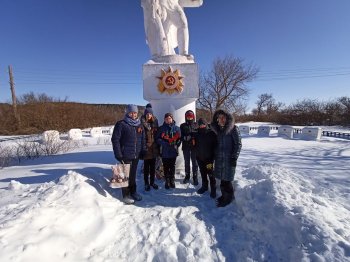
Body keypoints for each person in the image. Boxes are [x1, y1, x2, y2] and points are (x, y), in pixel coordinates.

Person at [111, 104, 147, 204]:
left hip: (136, 155)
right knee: (125, 175)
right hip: (125, 154)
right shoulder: (121, 124)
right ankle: (126, 195)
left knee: (132, 175)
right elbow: (115, 139)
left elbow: (143, 139)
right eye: (131, 112)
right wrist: (118, 154)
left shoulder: (139, 124)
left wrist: (143, 150)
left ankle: (133, 191)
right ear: (127, 113)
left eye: (135, 112)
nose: (133, 114)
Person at [210, 109, 242, 207]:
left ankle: (228, 198)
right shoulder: (218, 130)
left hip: (229, 159)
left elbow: (238, 144)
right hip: (220, 159)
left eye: (223, 117)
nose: (221, 119)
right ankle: (224, 196)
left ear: (227, 118)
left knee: (227, 181)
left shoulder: (233, 129)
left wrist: (234, 157)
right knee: (223, 180)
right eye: (219, 118)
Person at [156, 112, 181, 189]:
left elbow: (180, 138)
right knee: (166, 166)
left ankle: (172, 180)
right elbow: (157, 139)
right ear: (164, 119)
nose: (168, 120)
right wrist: (164, 143)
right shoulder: (161, 128)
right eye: (166, 119)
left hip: (173, 150)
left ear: (172, 119)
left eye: (169, 118)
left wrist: (177, 143)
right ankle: (167, 180)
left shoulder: (177, 128)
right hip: (165, 151)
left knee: (172, 166)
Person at [194, 118, 217, 198]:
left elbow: (215, 146)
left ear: (206, 124)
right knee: (203, 173)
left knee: (211, 174)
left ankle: (213, 189)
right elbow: (194, 145)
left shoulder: (211, 133)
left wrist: (213, 157)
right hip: (200, 158)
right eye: (200, 124)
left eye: (203, 124)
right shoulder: (197, 133)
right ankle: (204, 187)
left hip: (209, 159)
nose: (201, 125)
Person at [141, 106, 160, 191]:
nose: (149, 115)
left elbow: (158, 135)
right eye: (147, 114)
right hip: (146, 148)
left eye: (150, 114)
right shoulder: (142, 124)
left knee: (153, 167)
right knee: (146, 167)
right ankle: (146, 183)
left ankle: (152, 182)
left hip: (154, 148)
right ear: (145, 114)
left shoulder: (155, 123)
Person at [180, 110, 198, 185]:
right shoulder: (182, 125)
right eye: (188, 116)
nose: (189, 118)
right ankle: (187, 176)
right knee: (186, 162)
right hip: (186, 146)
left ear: (193, 117)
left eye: (191, 117)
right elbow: (180, 135)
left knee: (194, 162)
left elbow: (199, 134)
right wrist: (184, 138)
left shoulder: (196, 124)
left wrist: (193, 137)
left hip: (194, 147)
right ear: (186, 117)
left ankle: (195, 177)